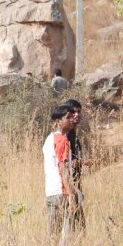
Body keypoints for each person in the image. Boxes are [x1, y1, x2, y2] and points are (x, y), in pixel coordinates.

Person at [43, 105, 78, 236]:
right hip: (62, 192)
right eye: (67, 117)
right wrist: (71, 194)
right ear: (58, 121)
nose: (71, 120)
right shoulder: (62, 140)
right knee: (67, 235)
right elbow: (63, 168)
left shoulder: (49, 139)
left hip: (51, 192)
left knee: (53, 234)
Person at [62, 98, 91, 229]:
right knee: (72, 224)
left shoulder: (72, 133)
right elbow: (63, 163)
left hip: (75, 183)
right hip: (68, 185)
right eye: (73, 112)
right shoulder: (66, 135)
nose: (77, 115)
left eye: (79, 112)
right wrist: (82, 162)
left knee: (78, 223)